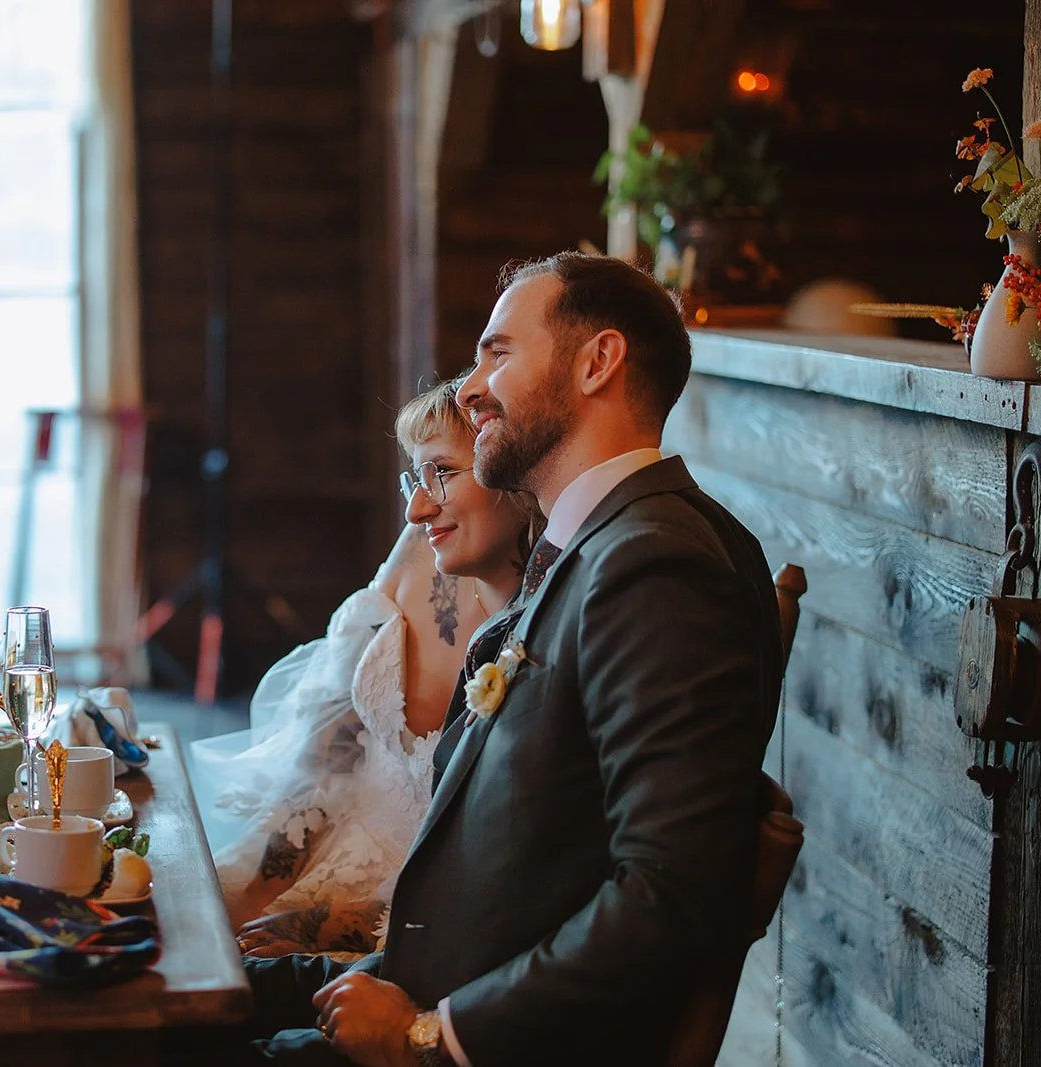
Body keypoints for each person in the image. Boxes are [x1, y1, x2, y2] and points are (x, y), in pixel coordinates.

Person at [230, 252, 784, 1067]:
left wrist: (430, 1036)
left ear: (598, 361)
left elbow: (671, 896)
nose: (468, 387)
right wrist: (255, 982)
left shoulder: (658, 565)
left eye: (498, 353)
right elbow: (524, 887)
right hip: (439, 989)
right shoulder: (595, 548)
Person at [191, 379, 539, 957]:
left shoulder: (550, 627)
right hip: (324, 847)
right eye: (416, 477)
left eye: (443, 474)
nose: (416, 507)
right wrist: (246, 896)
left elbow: (499, 881)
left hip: (419, 929)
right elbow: (325, 765)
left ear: (513, 469)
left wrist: (314, 929)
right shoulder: (421, 550)